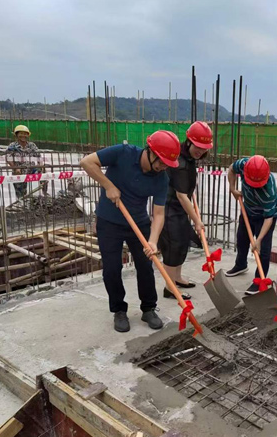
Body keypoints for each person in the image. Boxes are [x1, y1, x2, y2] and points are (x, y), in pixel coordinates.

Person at [80, 131, 181, 333]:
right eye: (161, 161)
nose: (163, 167)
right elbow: (87, 162)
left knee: (145, 266)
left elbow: (159, 214)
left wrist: (152, 241)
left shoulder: (161, 179)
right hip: (109, 222)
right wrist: (108, 185)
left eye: (167, 164)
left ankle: (149, 308)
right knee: (112, 268)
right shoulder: (123, 153)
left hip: (139, 223)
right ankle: (119, 310)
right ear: (150, 152)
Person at [158, 121, 211, 300]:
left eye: (204, 148)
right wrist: (197, 220)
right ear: (189, 141)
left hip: (179, 208)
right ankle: (169, 287)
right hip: (170, 208)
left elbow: (185, 190)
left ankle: (177, 278)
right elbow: (181, 195)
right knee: (173, 247)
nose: (200, 151)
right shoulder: (180, 162)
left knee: (181, 245)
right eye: (198, 146)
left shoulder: (188, 157)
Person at [225, 155, 277, 295]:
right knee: (242, 238)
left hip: (264, 216)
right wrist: (232, 188)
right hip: (247, 209)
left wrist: (258, 240)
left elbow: (268, 219)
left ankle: (259, 279)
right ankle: (241, 265)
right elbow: (231, 169)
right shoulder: (244, 164)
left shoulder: (269, 191)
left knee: (263, 250)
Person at [6, 125, 47, 200]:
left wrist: (41, 166)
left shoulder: (31, 145)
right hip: (19, 171)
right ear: (16, 135)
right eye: (21, 133)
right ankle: (21, 202)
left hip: (31, 169)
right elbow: (9, 159)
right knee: (21, 194)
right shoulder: (12, 146)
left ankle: (45, 194)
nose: (23, 135)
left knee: (44, 174)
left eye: (25, 134)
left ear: (28, 135)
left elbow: (39, 157)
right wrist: (15, 168)